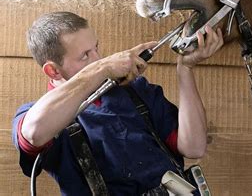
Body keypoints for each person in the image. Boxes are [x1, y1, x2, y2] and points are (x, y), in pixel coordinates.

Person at [12, 11, 223, 195]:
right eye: (85, 56)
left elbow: (194, 148)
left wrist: (185, 69)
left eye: (96, 48)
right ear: (53, 70)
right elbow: (34, 132)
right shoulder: (37, 114)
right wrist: (102, 68)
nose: (98, 58)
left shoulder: (135, 91)